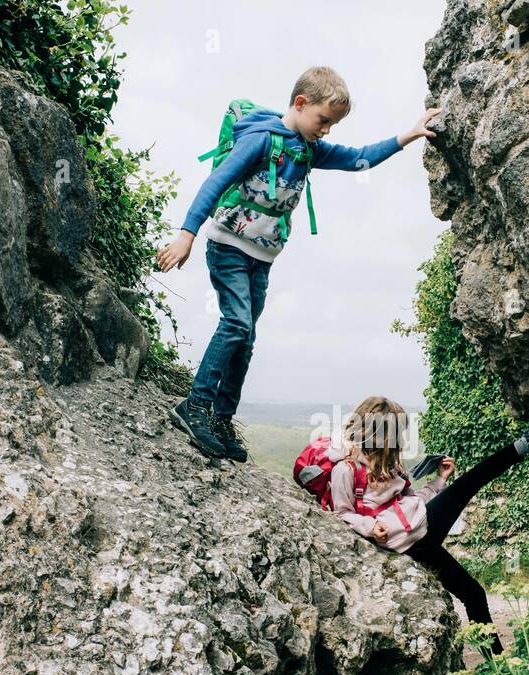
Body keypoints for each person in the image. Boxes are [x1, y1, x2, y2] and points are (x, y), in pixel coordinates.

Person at [156, 66, 442, 462]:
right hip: (228, 246)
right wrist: (186, 234)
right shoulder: (260, 140)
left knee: (247, 339)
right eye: (323, 120)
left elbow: (360, 159)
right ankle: (195, 405)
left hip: (262, 256)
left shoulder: (308, 149)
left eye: (333, 124)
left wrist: (408, 135)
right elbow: (216, 182)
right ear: (301, 103)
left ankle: (222, 418)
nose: (326, 131)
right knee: (236, 324)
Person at [329, 396, 529, 655]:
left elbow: (410, 503)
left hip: (423, 525)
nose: (401, 440)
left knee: (468, 486)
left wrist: (440, 481)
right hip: (410, 547)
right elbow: (341, 513)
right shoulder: (346, 470)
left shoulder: (391, 466)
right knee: (473, 591)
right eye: (397, 433)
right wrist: (370, 526)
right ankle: (499, 668)